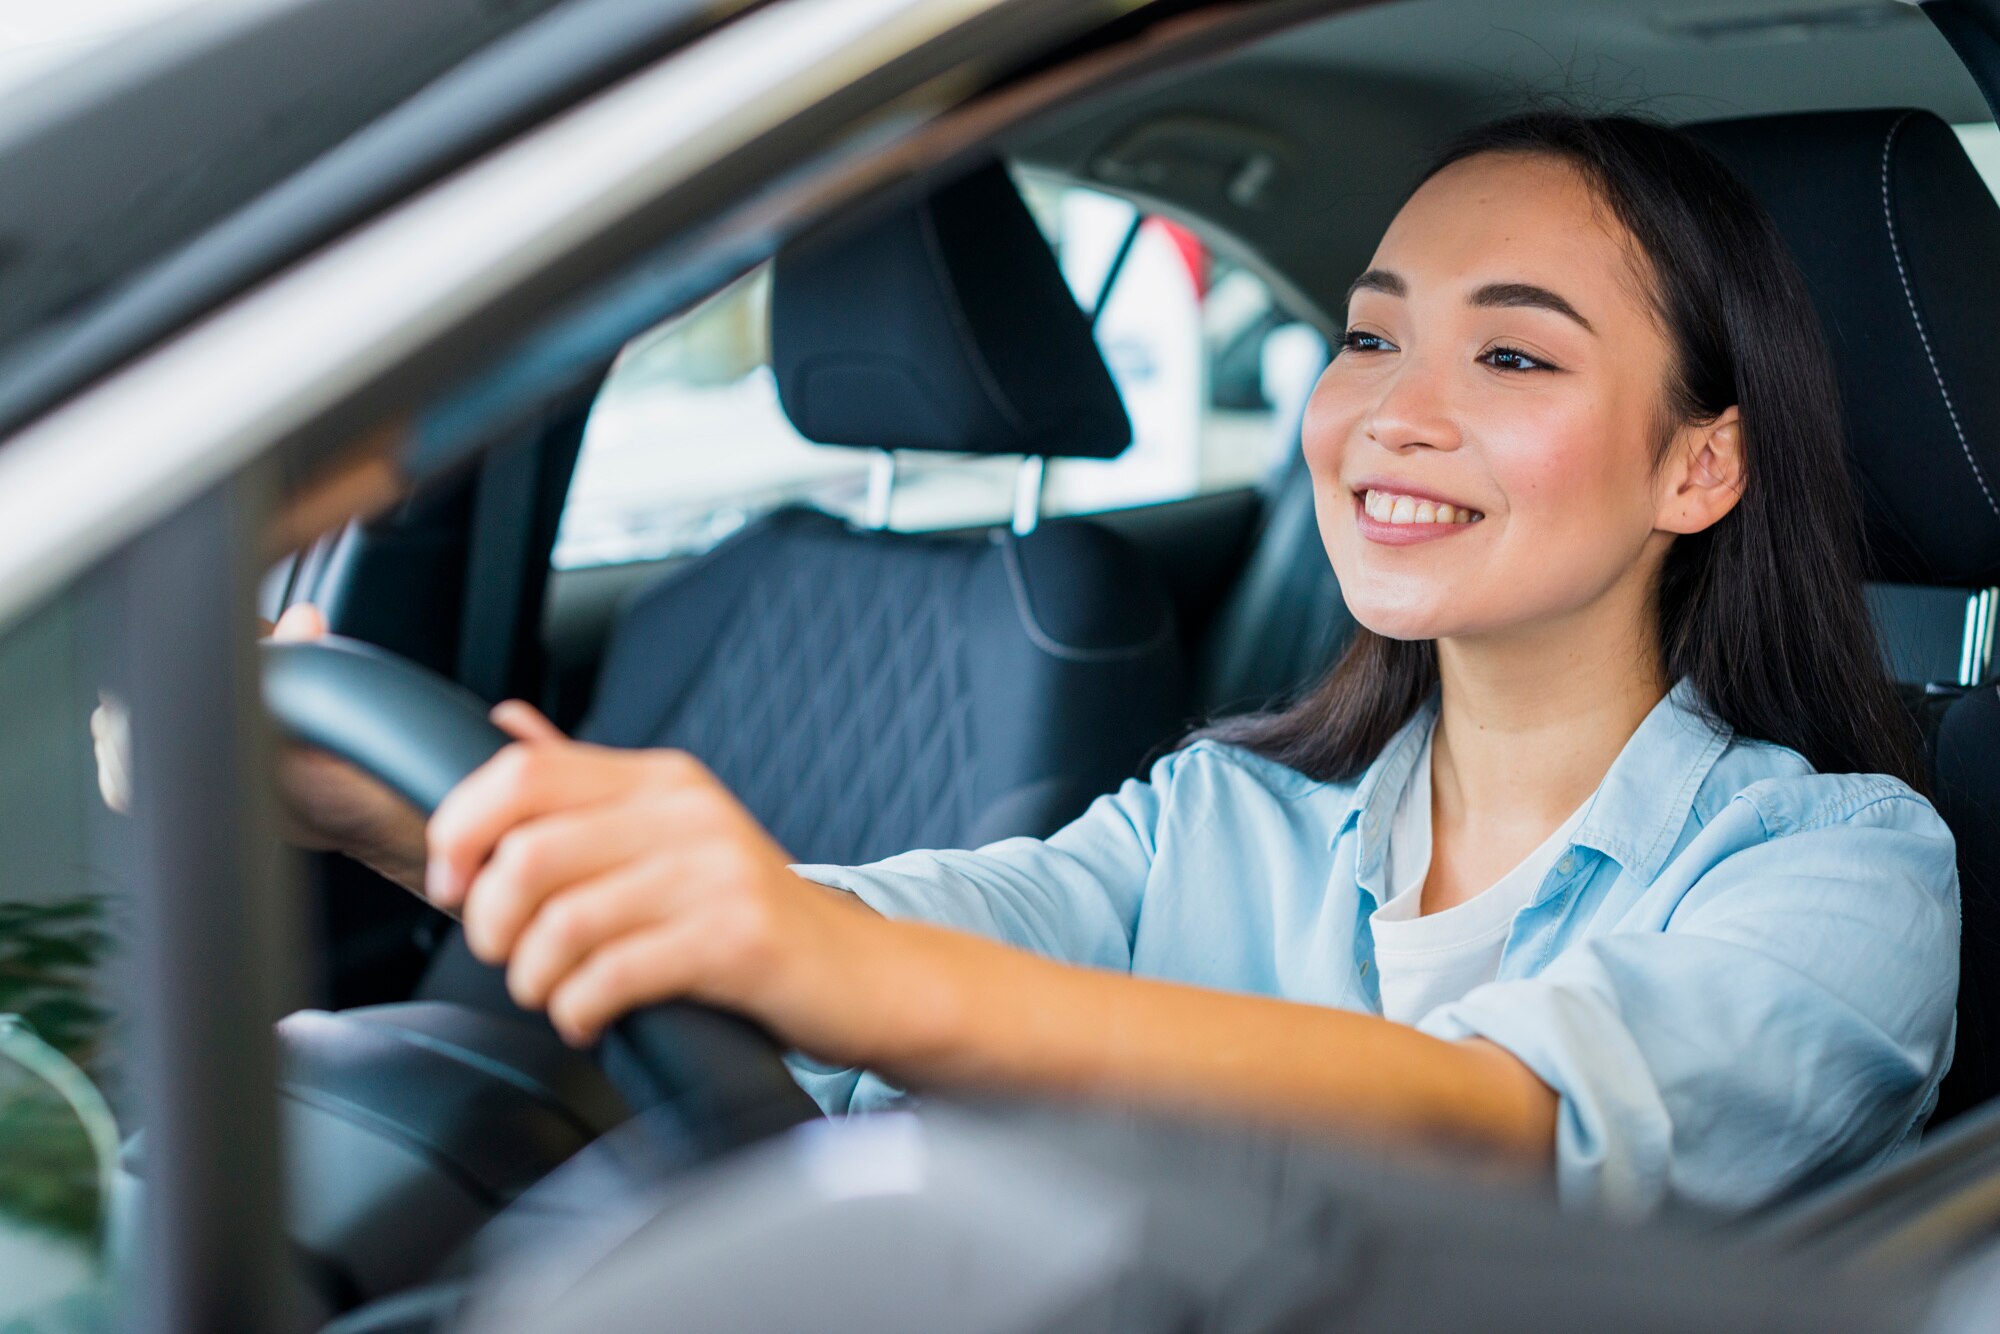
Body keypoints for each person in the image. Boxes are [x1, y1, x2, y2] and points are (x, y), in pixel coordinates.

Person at [260, 112, 1959, 1220]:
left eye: (1509, 350)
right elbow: (902, 928)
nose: (1390, 411)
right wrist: (418, 820)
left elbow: (1500, 1129)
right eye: (1369, 333)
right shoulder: (1226, 811)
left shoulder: (1848, 868)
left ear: (1699, 467)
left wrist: (835, 970)